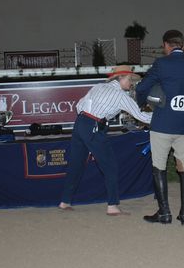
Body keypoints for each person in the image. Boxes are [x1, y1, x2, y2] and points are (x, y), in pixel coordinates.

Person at [58, 65, 152, 215]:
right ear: (120, 78)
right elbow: (141, 116)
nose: (131, 83)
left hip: (80, 123)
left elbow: (79, 105)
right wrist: (162, 116)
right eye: (129, 79)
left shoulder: (99, 86)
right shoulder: (121, 96)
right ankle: (112, 206)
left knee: (76, 164)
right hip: (94, 127)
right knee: (110, 166)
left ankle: (65, 201)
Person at [135, 30, 184, 225]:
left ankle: (164, 213)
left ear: (166, 45)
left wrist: (142, 103)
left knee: (159, 166)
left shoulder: (161, 64)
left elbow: (142, 87)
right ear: (182, 44)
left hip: (163, 124)